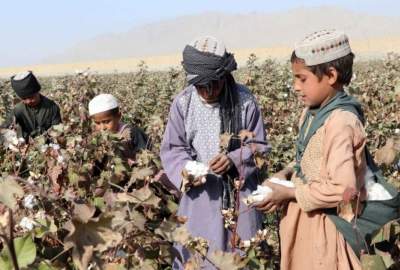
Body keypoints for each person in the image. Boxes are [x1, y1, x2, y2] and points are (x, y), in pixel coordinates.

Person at [256, 29, 399, 270]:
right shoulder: (313, 113)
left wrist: (289, 193)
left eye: (302, 79)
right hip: (309, 226)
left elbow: (342, 190)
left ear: (331, 75)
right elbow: (310, 160)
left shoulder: (340, 122)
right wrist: (286, 174)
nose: (296, 87)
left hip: (328, 233)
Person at [160, 36, 270, 269]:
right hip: (200, 198)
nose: (209, 91)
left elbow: (259, 145)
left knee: (242, 256)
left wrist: (234, 160)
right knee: (198, 257)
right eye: (202, 85)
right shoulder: (183, 104)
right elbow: (173, 148)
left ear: (225, 76)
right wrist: (187, 169)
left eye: (215, 84)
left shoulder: (245, 101)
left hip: (240, 198)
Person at [0, 71, 61, 140]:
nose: (28, 101)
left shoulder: (52, 107)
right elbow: (3, 129)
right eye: (24, 98)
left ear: (37, 91)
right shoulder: (18, 110)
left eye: (31, 97)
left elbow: (58, 132)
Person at [88, 93, 149, 162]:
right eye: (97, 123)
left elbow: (146, 156)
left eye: (107, 122)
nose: (102, 127)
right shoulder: (98, 139)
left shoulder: (132, 133)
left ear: (118, 116)